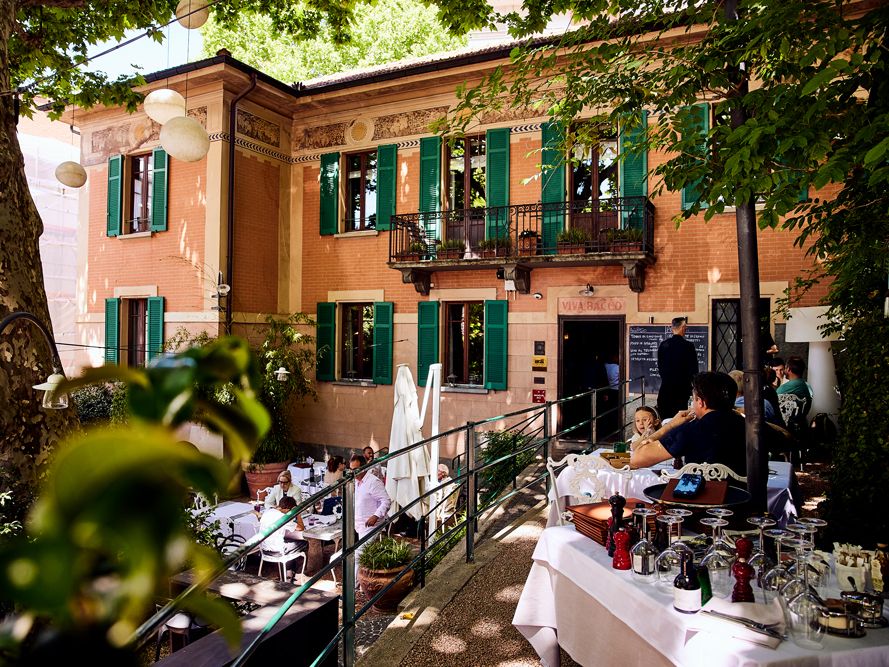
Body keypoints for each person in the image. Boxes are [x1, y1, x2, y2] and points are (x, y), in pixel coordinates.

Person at [631, 371, 746, 477]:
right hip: (744, 496)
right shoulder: (750, 426)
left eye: (694, 399)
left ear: (700, 402)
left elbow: (637, 459)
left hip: (700, 496)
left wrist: (670, 425)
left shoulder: (693, 429)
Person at [350, 453, 391, 580]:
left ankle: (353, 585)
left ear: (363, 468)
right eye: (351, 469)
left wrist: (375, 516)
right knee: (352, 553)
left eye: (355, 469)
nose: (353, 472)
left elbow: (386, 501)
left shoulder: (373, 482)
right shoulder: (356, 482)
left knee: (358, 554)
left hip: (371, 524)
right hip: (359, 524)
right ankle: (359, 579)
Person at [656, 317, 699, 420]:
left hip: (665, 391)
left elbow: (660, 367)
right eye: (685, 327)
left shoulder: (663, 345)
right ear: (683, 328)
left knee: (665, 422)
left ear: (672, 328)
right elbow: (693, 371)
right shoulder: (688, 346)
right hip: (681, 392)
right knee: (680, 422)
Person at [258, 495, 306, 561]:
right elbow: (301, 528)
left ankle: (289, 570)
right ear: (290, 510)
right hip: (277, 551)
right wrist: (298, 514)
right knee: (304, 543)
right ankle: (295, 570)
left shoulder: (267, 512)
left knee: (288, 541)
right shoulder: (283, 517)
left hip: (264, 549)